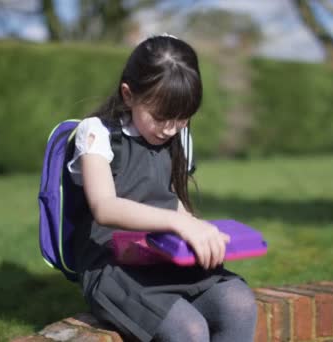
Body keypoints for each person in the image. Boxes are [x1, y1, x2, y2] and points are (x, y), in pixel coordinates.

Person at [67, 35, 257, 341]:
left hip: (162, 253)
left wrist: (197, 231)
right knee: (189, 331)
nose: (170, 128)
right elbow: (104, 206)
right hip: (112, 265)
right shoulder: (97, 134)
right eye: (160, 117)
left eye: (182, 119)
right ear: (128, 95)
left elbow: (172, 199)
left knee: (239, 304)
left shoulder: (175, 138)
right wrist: (178, 222)